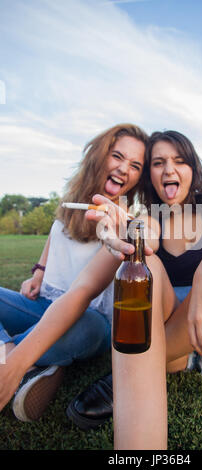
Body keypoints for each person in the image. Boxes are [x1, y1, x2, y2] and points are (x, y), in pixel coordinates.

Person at [70, 130, 202, 450]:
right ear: (150, 176)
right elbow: (144, 235)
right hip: (174, 354)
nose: (169, 169)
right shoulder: (151, 216)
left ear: (192, 168)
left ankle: (128, 371)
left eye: (179, 161)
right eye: (158, 163)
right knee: (143, 261)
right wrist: (124, 233)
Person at [0, 123, 148, 423]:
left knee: (86, 326)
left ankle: (19, 356)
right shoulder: (69, 202)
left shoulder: (124, 218)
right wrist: (39, 271)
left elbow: (141, 234)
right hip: (43, 306)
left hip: (90, 319)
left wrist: (126, 229)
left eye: (135, 165)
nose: (123, 169)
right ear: (99, 155)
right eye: (117, 156)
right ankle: (24, 357)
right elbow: (56, 235)